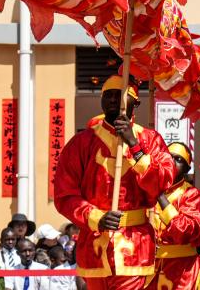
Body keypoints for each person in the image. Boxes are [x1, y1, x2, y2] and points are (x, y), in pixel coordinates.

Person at [53, 75, 176, 290]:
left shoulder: (151, 140)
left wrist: (134, 146)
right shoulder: (81, 143)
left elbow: (161, 184)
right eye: (107, 95)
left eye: (119, 95)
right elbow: (65, 195)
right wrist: (95, 216)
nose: (112, 99)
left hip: (134, 244)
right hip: (95, 245)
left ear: (134, 102)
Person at [150, 142, 200, 290]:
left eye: (178, 159)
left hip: (182, 269)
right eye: (169, 156)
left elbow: (189, 232)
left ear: (187, 169)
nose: (172, 161)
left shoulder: (192, 195)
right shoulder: (147, 190)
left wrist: (161, 199)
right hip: (150, 269)